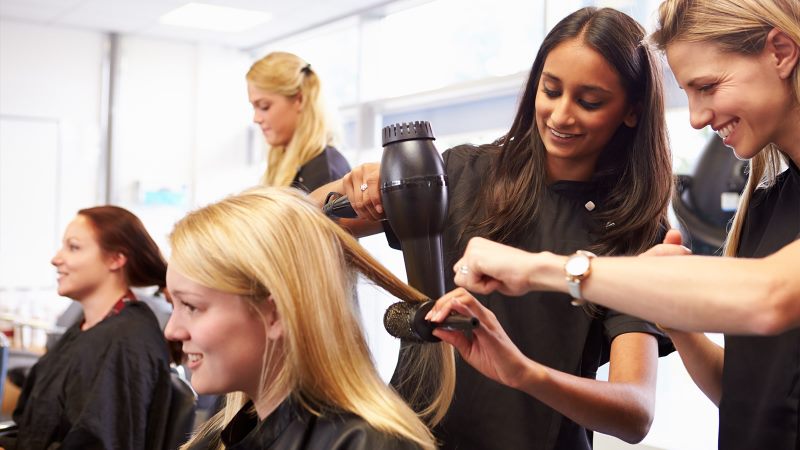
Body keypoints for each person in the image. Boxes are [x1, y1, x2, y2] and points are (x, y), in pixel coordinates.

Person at [312, 7, 674, 449]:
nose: (560, 115)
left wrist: (522, 372)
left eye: (590, 101)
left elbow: (634, 412)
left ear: (632, 110)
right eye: (551, 89)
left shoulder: (634, 233)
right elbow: (303, 224)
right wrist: (349, 187)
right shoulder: (464, 173)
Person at [446, 0, 800, 448]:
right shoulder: (768, 208)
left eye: (708, 86)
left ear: (782, 51)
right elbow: (749, 393)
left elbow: (771, 296)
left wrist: (543, 269)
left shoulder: (631, 231)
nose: (695, 118)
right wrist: (673, 316)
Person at [164, 187, 454, 450]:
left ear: (276, 313)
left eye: (191, 307)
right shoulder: (221, 438)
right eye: (173, 305)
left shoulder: (367, 444)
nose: (172, 330)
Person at [0, 206, 173, 450]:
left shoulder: (127, 341)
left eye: (73, 247)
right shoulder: (83, 328)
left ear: (116, 259)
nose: (56, 258)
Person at [247, 51, 351, 191]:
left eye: (264, 107)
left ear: (299, 100)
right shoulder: (286, 162)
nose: (256, 119)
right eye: (254, 108)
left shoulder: (325, 171)